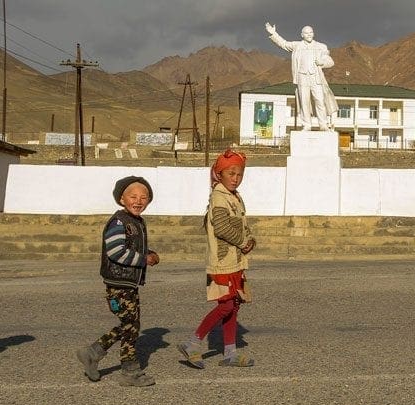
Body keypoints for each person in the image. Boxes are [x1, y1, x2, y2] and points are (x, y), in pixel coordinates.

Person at [76, 176, 160, 386]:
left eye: (144, 197)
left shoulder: (136, 222)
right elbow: (116, 252)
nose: (139, 201)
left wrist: (148, 253)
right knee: (131, 326)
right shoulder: (119, 221)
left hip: (128, 283)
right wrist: (143, 259)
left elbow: (131, 248)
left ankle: (93, 352)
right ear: (121, 199)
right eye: (133, 196)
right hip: (118, 284)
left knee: (129, 324)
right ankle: (129, 371)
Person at [177, 148, 256, 368]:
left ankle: (230, 351)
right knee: (225, 306)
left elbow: (241, 225)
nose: (236, 178)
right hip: (223, 262)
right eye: (231, 174)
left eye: (239, 174)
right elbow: (221, 228)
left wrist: (250, 240)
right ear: (219, 174)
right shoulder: (219, 197)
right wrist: (242, 242)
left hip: (235, 260)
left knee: (234, 304)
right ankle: (193, 342)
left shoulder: (234, 197)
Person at [265, 22, 338, 130]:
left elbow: (330, 61)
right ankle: (306, 125)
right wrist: (273, 34)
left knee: (320, 101)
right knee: (304, 102)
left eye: (311, 32)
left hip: (316, 78)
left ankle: (323, 124)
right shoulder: (297, 45)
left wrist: (322, 62)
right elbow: (284, 43)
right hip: (302, 77)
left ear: (313, 34)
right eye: (306, 33)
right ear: (302, 35)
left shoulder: (321, 46)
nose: (309, 35)